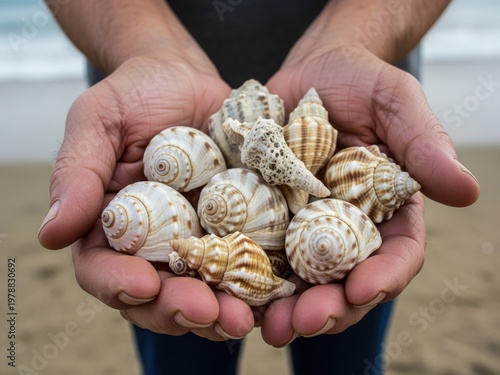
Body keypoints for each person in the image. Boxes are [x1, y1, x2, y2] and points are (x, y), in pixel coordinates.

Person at [38, 0, 480, 374]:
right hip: (151, 121)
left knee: (347, 350)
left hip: (358, 124)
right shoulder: (238, 158)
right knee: (182, 346)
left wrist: (354, 39)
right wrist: (145, 45)